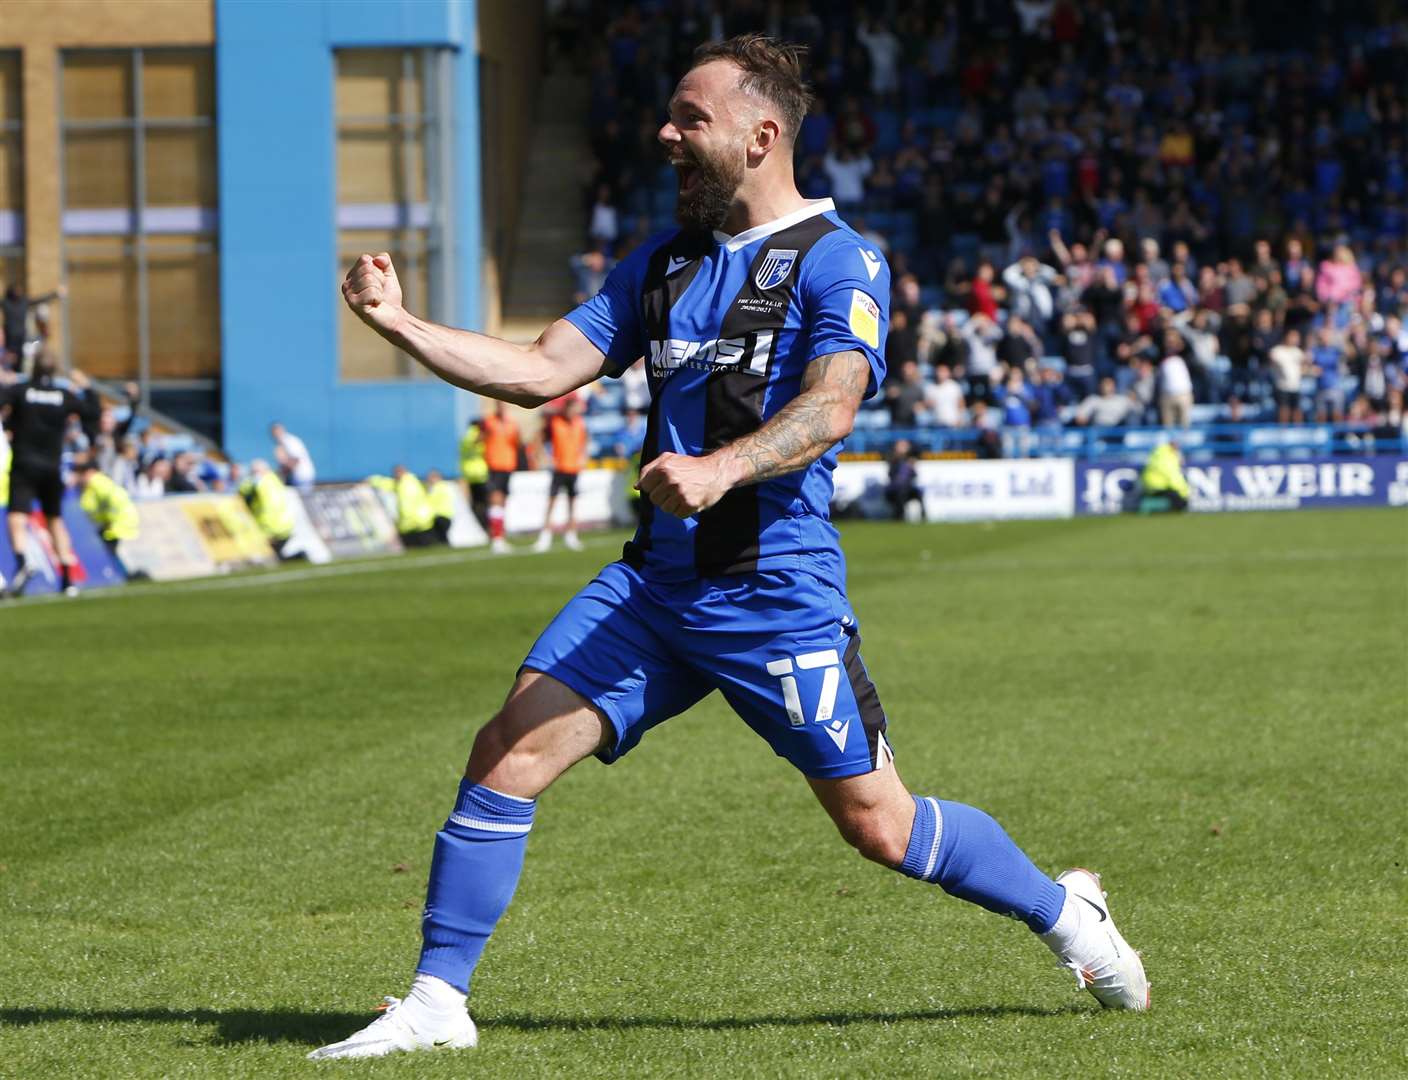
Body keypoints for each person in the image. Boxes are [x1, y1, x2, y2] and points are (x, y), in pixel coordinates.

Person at [317, 34, 1147, 1062]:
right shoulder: (663, 264)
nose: (664, 136)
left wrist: (720, 469)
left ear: (760, 138)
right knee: (506, 754)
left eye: (687, 119)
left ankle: (1068, 918)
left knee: (879, 827)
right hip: (652, 589)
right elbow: (537, 372)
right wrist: (397, 322)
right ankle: (438, 1001)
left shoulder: (842, 259)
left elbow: (832, 403)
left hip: (771, 594)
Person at [1, 358, 98, 597]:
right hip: (52, 466)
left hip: (25, 463)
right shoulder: (63, 395)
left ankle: (23, 560)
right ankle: (66, 575)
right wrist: (86, 387)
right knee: (54, 519)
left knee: (17, 514)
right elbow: (92, 411)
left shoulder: (21, 391)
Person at [534, 396, 588, 553]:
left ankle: (571, 535)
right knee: (551, 502)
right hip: (559, 469)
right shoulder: (555, 423)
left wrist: (583, 456)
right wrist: (544, 457)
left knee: (572, 502)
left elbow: (584, 441)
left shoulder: (579, 423)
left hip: (574, 469)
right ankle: (545, 535)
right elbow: (539, 438)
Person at [72, 456, 139, 565]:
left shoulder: (98, 482)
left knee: (109, 553)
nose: (80, 477)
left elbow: (115, 500)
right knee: (109, 553)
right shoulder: (90, 486)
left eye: (82, 473)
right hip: (110, 526)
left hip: (115, 526)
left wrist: (110, 520)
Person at [236, 459, 296, 558]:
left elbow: (242, 490)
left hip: (269, 529)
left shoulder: (259, 482)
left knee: (268, 557)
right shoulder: (275, 479)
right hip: (285, 526)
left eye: (255, 471)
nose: (254, 474)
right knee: (278, 556)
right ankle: (298, 556)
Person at [481, 401, 519, 554]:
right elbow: (481, 438)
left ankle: (500, 536)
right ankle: (496, 538)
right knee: (495, 499)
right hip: (494, 464)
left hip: (508, 465)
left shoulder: (512, 424)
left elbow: (517, 442)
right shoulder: (489, 422)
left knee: (503, 501)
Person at [369, 464, 437, 547]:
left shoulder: (409, 482)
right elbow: (387, 483)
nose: (396, 474)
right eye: (396, 473)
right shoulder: (401, 483)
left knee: (424, 546)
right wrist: (372, 480)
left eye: (398, 472)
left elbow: (409, 504)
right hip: (411, 523)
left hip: (419, 522)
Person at [1138, 441, 1190, 512]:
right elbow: (1172, 478)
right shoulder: (1168, 457)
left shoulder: (1158, 453)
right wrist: (1184, 493)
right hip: (1159, 485)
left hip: (1149, 484)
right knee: (1180, 500)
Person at [458, 419, 490, 529]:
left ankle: (484, 526)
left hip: (470, 474)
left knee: (477, 503)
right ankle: (486, 526)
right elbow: (475, 441)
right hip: (478, 474)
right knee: (484, 502)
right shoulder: (473, 433)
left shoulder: (466, 435)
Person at [270, 422, 315, 492]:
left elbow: (296, 460)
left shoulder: (289, 441)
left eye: (276, 432)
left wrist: (281, 471)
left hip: (302, 476)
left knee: (301, 499)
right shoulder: (281, 443)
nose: (274, 435)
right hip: (296, 477)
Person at [426, 468, 457, 545]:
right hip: (445, 515)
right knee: (442, 536)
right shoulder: (443, 486)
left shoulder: (438, 487)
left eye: (432, 477)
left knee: (441, 536)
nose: (429, 479)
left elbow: (430, 501)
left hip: (441, 515)